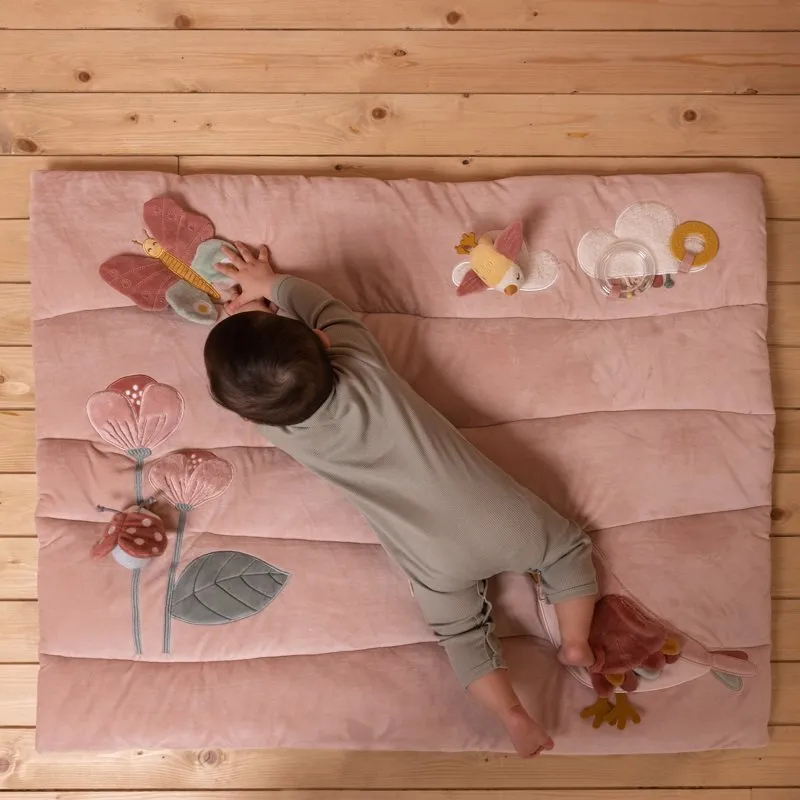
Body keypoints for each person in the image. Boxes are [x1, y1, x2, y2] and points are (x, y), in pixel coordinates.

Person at [204, 242, 598, 757]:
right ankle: (575, 642)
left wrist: (243, 338)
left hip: (432, 559)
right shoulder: (359, 361)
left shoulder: (281, 432)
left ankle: (513, 715)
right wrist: (267, 287)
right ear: (323, 343)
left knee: (460, 632)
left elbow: (263, 390)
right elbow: (319, 304)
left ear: (251, 420)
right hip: (501, 517)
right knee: (565, 551)